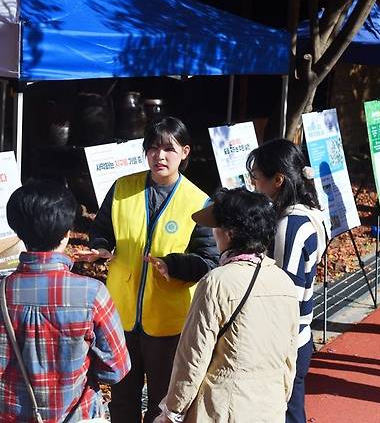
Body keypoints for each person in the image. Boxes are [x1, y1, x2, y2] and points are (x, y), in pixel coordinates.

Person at [79, 116, 219, 423]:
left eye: (169, 148)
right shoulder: (122, 188)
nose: (160, 156)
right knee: (122, 400)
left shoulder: (198, 202)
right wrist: (102, 246)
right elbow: (102, 229)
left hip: (169, 321)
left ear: (184, 152)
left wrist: (174, 265)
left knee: (163, 402)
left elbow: (209, 260)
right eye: (153, 148)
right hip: (122, 317)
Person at [0, 179, 130, 422]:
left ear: (18, 232)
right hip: (77, 416)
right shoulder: (92, 294)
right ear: (67, 235)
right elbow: (116, 369)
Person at [156, 187, 299, 423]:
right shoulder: (283, 281)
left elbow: (193, 357)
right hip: (269, 406)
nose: (213, 233)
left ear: (229, 233)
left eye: (216, 226)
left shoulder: (216, 282)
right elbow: (289, 355)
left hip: (222, 407)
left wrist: (173, 410)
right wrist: (280, 398)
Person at [246, 138, 327, 423]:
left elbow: (283, 294)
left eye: (257, 179)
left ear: (278, 180)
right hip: (299, 334)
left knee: (286, 412)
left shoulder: (289, 226)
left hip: (285, 339)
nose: (254, 185)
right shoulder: (311, 213)